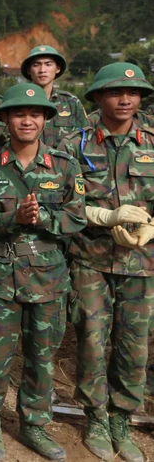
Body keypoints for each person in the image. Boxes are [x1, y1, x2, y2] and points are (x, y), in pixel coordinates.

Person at [0, 83, 86, 461]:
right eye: (19, 113)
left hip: (48, 279)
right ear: (5, 118)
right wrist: (12, 218)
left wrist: (42, 218)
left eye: (35, 114)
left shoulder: (64, 166)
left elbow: (76, 218)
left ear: (45, 119)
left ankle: (33, 424)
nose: (27, 120)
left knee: (42, 358)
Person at [58, 63, 154, 462]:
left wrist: (151, 226)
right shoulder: (74, 144)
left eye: (132, 93)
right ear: (97, 97)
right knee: (92, 341)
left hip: (142, 263)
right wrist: (103, 217)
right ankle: (96, 416)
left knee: (134, 345)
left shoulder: (152, 141)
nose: (125, 99)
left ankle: (121, 418)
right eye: (115, 92)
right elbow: (62, 200)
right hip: (90, 260)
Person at [20, 45, 89, 147]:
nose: (42, 70)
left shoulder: (71, 103)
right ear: (29, 70)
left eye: (48, 64)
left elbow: (85, 139)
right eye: (36, 65)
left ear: (57, 68)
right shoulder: (18, 102)